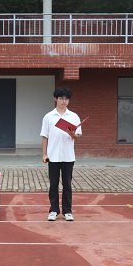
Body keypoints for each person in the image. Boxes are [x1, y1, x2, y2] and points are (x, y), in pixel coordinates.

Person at [40, 87, 82, 221]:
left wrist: (72, 134)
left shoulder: (74, 116)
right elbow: (44, 136)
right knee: (53, 185)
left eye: (66, 99)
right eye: (61, 98)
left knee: (67, 185)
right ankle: (53, 210)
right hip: (53, 156)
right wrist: (44, 154)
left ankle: (67, 211)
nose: (64, 101)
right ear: (55, 99)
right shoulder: (48, 117)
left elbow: (77, 136)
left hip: (68, 156)